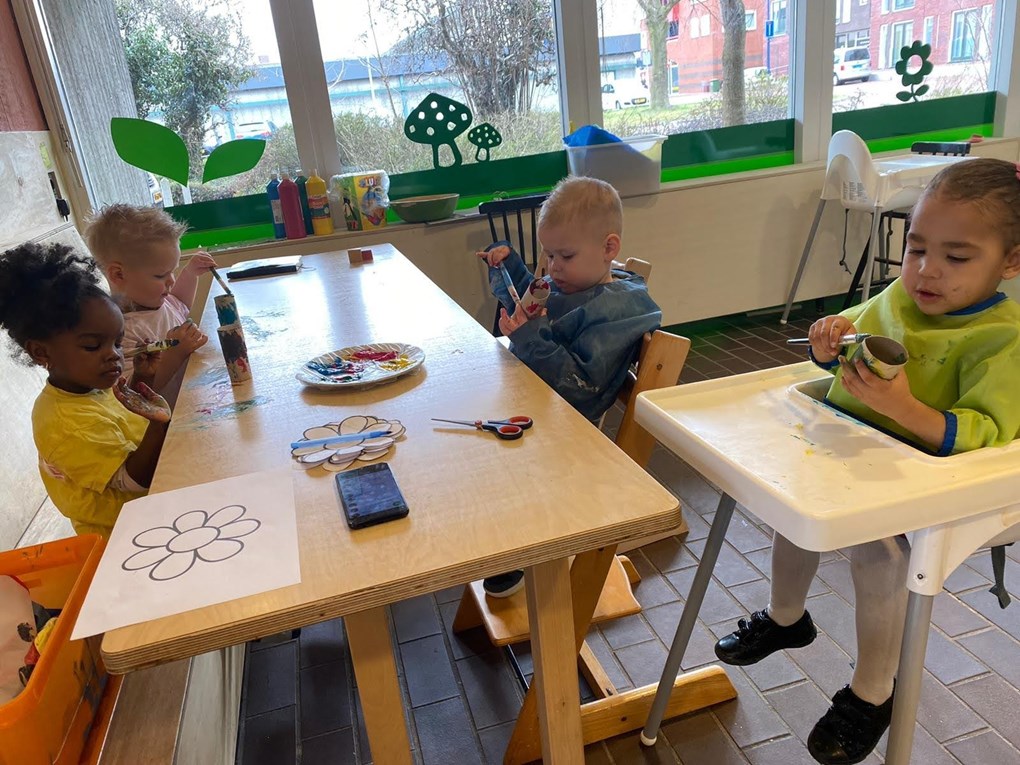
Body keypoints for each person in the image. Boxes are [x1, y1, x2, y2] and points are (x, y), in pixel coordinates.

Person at [713, 157, 1020, 765]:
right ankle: (785, 616)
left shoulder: (1002, 338)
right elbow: (849, 348)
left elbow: (984, 435)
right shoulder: (899, 297)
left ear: (1010, 263)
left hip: (920, 480)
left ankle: (873, 691)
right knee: (797, 508)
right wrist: (830, 344)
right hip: (852, 452)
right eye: (915, 248)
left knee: (876, 554)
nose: (926, 272)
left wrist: (904, 408)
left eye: (956, 258)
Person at [477, 176, 662, 597]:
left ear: (609, 249)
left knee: (483, 455)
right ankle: (505, 540)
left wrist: (529, 335)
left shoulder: (618, 310)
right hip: (539, 402)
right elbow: (538, 303)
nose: (553, 266)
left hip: (567, 433)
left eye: (565, 255)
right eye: (548, 254)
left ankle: (527, 550)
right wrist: (509, 270)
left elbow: (579, 389)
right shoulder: (575, 282)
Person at [0, 243, 174, 538]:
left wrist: (142, 378)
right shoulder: (64, 424)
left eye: (117, 343)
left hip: (151, 511)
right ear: (41, 353)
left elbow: (119, 420)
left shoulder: (90, 385)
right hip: (122, 539)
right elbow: (133, 480)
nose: (114, 355)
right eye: (93, 346)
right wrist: (160, 426)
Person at [85, 204, 213, 402]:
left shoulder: (158, 302)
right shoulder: (122, 331)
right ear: (118, 274)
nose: (171, 280)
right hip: (167, 423)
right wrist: (176, 354)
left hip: (193, 397)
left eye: (173, 271)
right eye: (161, 275)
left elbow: (181, 303)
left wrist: (190, 274)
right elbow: (136, 394)